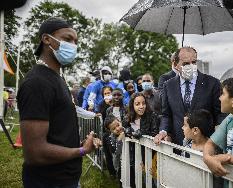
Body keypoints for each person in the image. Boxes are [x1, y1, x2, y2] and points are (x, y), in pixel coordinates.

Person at [17, 17, 102, 188]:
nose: (73, 45)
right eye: (67, 39)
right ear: (47, 39)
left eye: (76, 41)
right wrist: (81, 151)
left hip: (66, 178)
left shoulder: (57, 78)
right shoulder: (37, 83)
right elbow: (35, 152)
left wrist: (77, 144)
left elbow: (57, 130)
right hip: (49, 181)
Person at [154, 47, 225, 146]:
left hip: (205, 145)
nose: (191, 66)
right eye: (186, 63)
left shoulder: (212, 83)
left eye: (194, 62)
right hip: (177, 144)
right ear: (175, 64)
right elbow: (166, 115)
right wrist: (163, 131)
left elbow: (220, 113)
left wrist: (217, 134)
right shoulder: (168, 85)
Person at [122, 93, 159, 188]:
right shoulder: (127, 117)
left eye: (143, 103)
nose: (141, 106)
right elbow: (124, 129)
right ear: (132, 105)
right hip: (134, 153)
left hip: (150, 154)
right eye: (137, 104)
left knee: (152, 179)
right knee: (138, 179)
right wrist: (128, 131)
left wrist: (141, 133)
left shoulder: (152, 115)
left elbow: (155, 133)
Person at [104, 115, 125, 179]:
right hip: (120, 165)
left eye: (118, 125)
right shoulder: (110, 139)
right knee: (122, 180)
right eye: (114, 129)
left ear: (120, 121)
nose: (118, 129)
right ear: (110, 131)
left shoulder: (127, 129)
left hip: (131, 163)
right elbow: (116, 152)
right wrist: (119, 140)